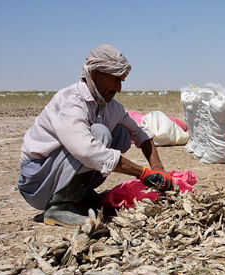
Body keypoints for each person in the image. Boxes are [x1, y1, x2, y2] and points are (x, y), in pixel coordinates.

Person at [17, 44, 173, 228]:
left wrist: (158, 167)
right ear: (95, 74)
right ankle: (59, 206)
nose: (119, 88)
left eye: (122, 80)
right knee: (99, 134)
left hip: (57, 173)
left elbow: (140, 133)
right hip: (39, 181)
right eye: (115, 79)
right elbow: (86, 150)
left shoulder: (111, 107)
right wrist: (143, 173)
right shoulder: (70, 100)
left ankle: (80, 195)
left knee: (121, 130)